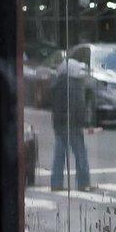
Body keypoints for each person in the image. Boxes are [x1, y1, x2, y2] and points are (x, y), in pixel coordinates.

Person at [49, 53, 94, 191]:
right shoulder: (74, 85)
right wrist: (84, 123)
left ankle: (56, 184)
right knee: (80, 154)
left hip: (59, 124)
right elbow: (78, 106)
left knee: (59, 155)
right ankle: (83, 183)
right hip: (72, 125)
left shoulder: (58, 83)